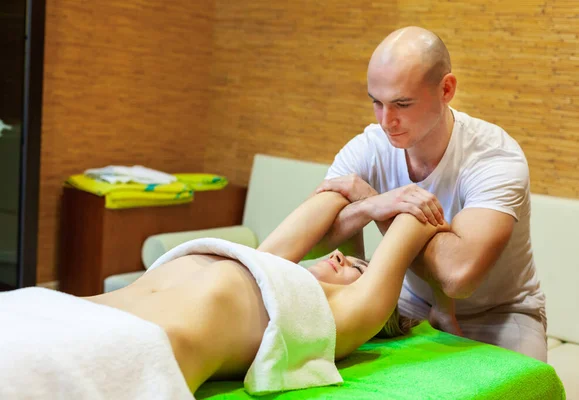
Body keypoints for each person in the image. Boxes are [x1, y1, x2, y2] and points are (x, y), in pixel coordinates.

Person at [314, 26, 547, 361]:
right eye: (376, 103)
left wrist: (374, 206)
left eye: (402, 104)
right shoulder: (369, 147)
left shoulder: (494, 157)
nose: (386, 121)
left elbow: (458, 277)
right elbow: (314, 234)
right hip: (408, 301)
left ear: (446, 89)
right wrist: (372, 206)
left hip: (502, 315)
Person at [84, 191, 447, 393]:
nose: (339, 255)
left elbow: (416, 219)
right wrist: (369, 204)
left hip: (122, 360)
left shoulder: (340, 312)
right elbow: (334, 193)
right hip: (73, 312)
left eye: (357, 267)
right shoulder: (265, 271)